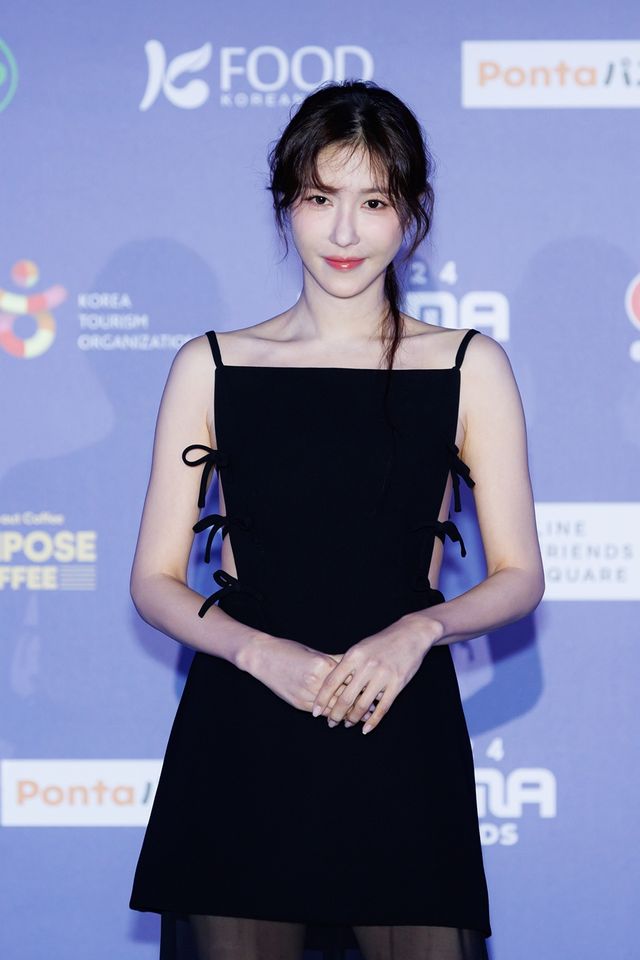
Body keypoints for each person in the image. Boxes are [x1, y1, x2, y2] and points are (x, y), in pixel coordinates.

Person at [128, 79, 545, 960]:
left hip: (399, 723)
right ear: (286, 204)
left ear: (412, 212)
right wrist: (258, 653)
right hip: (244, 732)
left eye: (374, 202)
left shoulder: (468, 365)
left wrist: (420, 630)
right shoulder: (211, 365)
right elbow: (153, 581)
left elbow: (520, 576)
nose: (345, 232)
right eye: (321, 199)